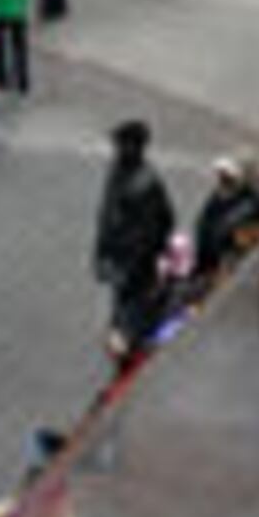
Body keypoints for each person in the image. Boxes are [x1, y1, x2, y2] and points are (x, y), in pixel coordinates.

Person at [93, 119, 174, 369]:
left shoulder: (145, 183)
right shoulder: (119, 170)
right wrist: (102, 250)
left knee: (131, 314)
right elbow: (108, 213)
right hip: (120, 260)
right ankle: (124, 347)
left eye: (119, 144)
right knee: (122, 310)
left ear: (133, 147)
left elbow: (160, 224)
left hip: (134, 265)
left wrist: (136, 261)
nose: (115, 149)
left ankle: (129, 355)